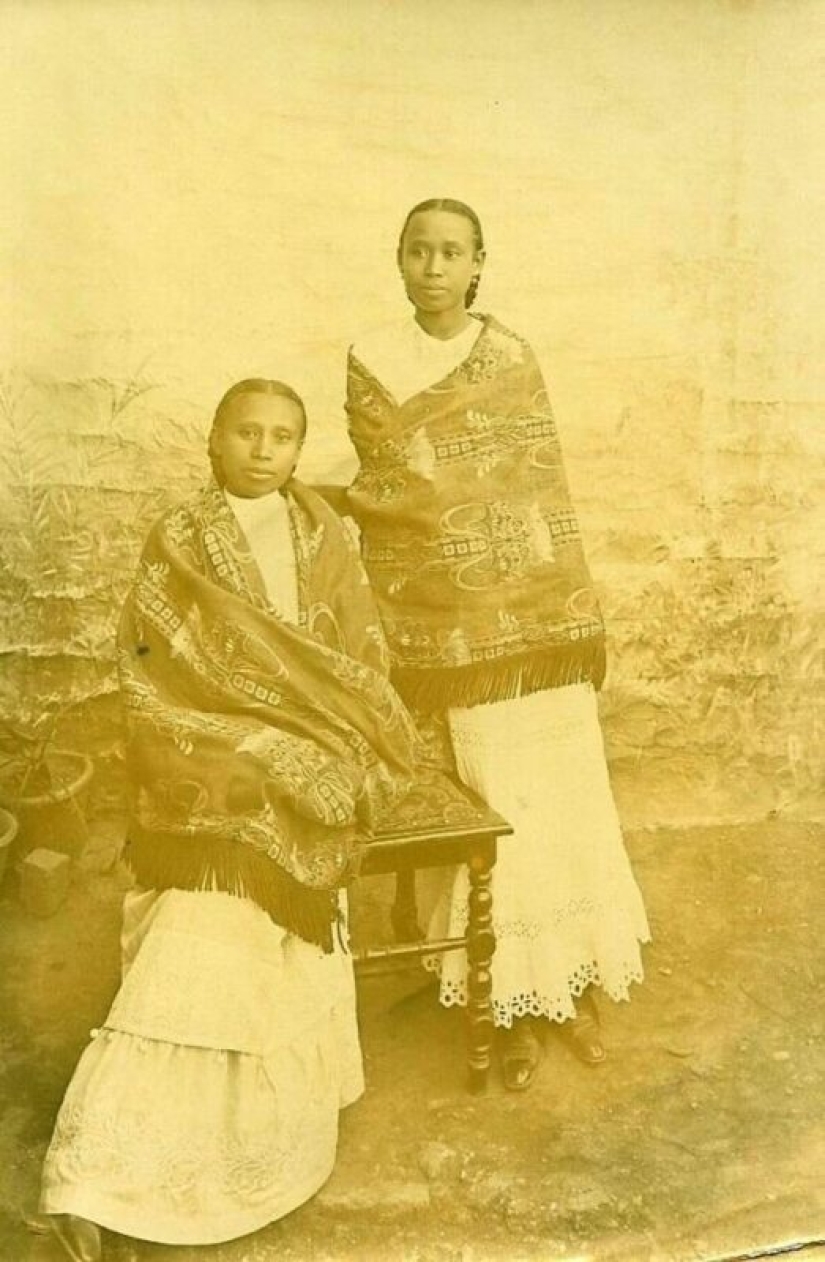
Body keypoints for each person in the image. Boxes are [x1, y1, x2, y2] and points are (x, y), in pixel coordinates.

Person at [39, 379, 419, 1260]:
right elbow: (150, 668)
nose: (262, 449)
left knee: (275, 840)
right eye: (244, 432)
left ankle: (209, 1162)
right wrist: (248, 739)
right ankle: (102, 1176)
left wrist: (318, 740)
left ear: (297, 451)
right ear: (212, 444)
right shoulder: (179, 540)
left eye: (282, 436)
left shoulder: (325, 535)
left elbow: (358, 657)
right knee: (206, 896)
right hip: (199, 741)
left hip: (321, 736)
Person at [344, 198, 650, 1091]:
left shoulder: (509, 356)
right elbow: (390, 483)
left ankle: (573, 985)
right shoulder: (371, 356)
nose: (434, 267)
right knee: (493, 805)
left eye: (452, 253)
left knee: (560, 795)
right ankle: (501, 995)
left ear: (479, 264)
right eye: (417, 251)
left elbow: (528, 481)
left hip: (531, 621)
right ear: (397, 261)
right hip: (445, 626)